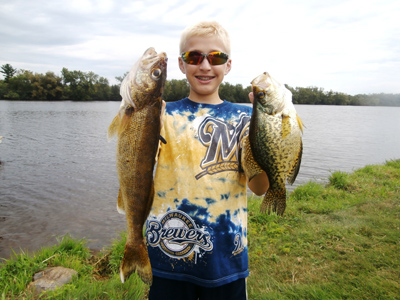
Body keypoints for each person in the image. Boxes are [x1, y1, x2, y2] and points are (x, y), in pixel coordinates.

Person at [145, 21, 269, 300]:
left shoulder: (246, 117)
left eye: (216, 57)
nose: (204, 66)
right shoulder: (162, 115)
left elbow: (259, 188)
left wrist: (267, 130)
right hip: (168, 253)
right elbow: (136, 166)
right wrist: (141, 118)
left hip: (227, 258)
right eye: (194, 57)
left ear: (228, 65)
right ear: (181, 64)